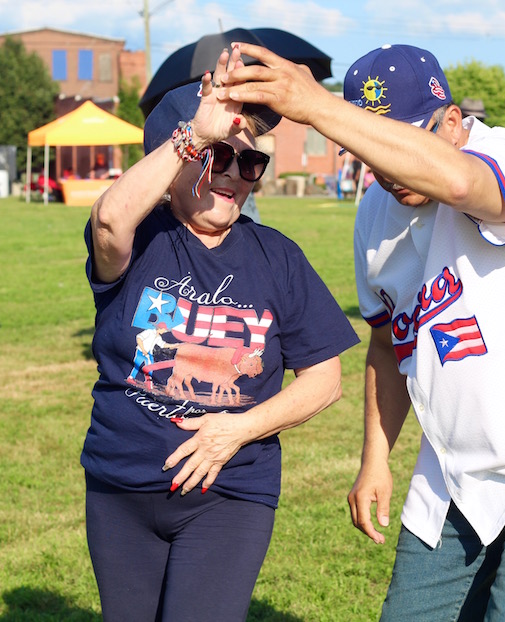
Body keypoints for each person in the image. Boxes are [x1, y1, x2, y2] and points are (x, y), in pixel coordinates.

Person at [224, 42, 505, 621]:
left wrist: (318, 105)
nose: (387, 169)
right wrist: (375, 456)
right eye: (371, 151)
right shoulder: (374, 215)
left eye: (405, 140)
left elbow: (460, 185)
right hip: (456, 470)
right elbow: (386, 342)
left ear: (453, 123)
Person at [81, 48, 359, 621]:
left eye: (250, 163)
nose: (235, 174)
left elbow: (326, 380)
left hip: (230, 491)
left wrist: (237, 431)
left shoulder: (276, 256)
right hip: (121, 485)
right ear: (177, 153)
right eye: (219, 156)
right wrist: (194, 135)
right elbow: (108, 220)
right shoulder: (139, 240)